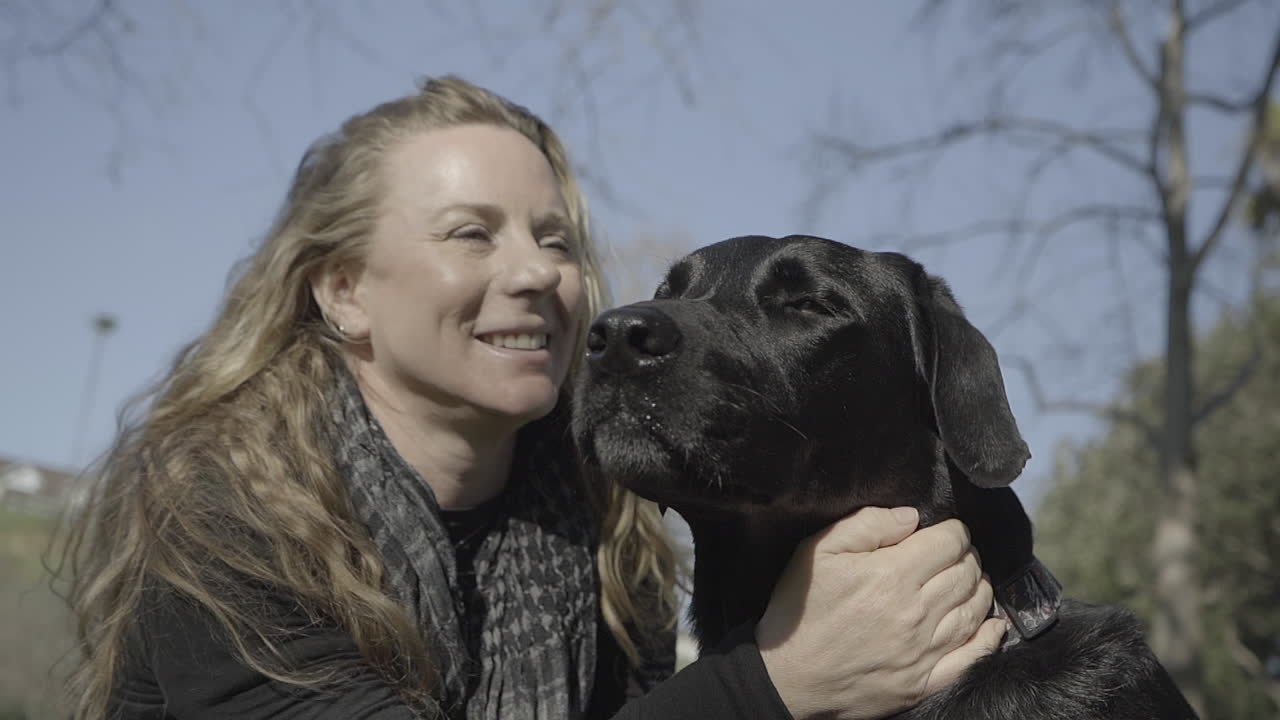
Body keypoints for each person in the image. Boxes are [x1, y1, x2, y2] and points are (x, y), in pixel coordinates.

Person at [57, 75, 1007, 720]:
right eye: (473, 234)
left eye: (555, 241)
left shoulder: (601, 531)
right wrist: (781, 682)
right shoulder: (223, 530)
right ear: (344, 290)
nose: (536, 275)